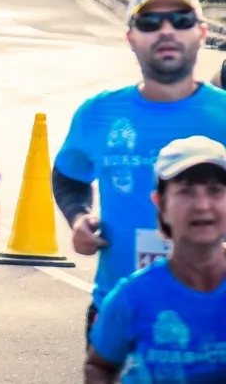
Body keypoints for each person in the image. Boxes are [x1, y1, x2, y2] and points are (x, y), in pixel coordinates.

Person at [51, 0, 226, 342]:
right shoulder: (98, 114)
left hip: (215, 316)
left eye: (181, 21)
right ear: (131, 37)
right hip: (120, 314)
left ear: (201, 33)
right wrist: (79, 217)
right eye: (149, 23)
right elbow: (69, 174)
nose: (166, 31)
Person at [85, 136, 226, 383]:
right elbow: (99, 366)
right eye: (186, 191)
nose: (202, 205)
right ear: (160, 204)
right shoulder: (131, 297)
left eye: (215, 191)